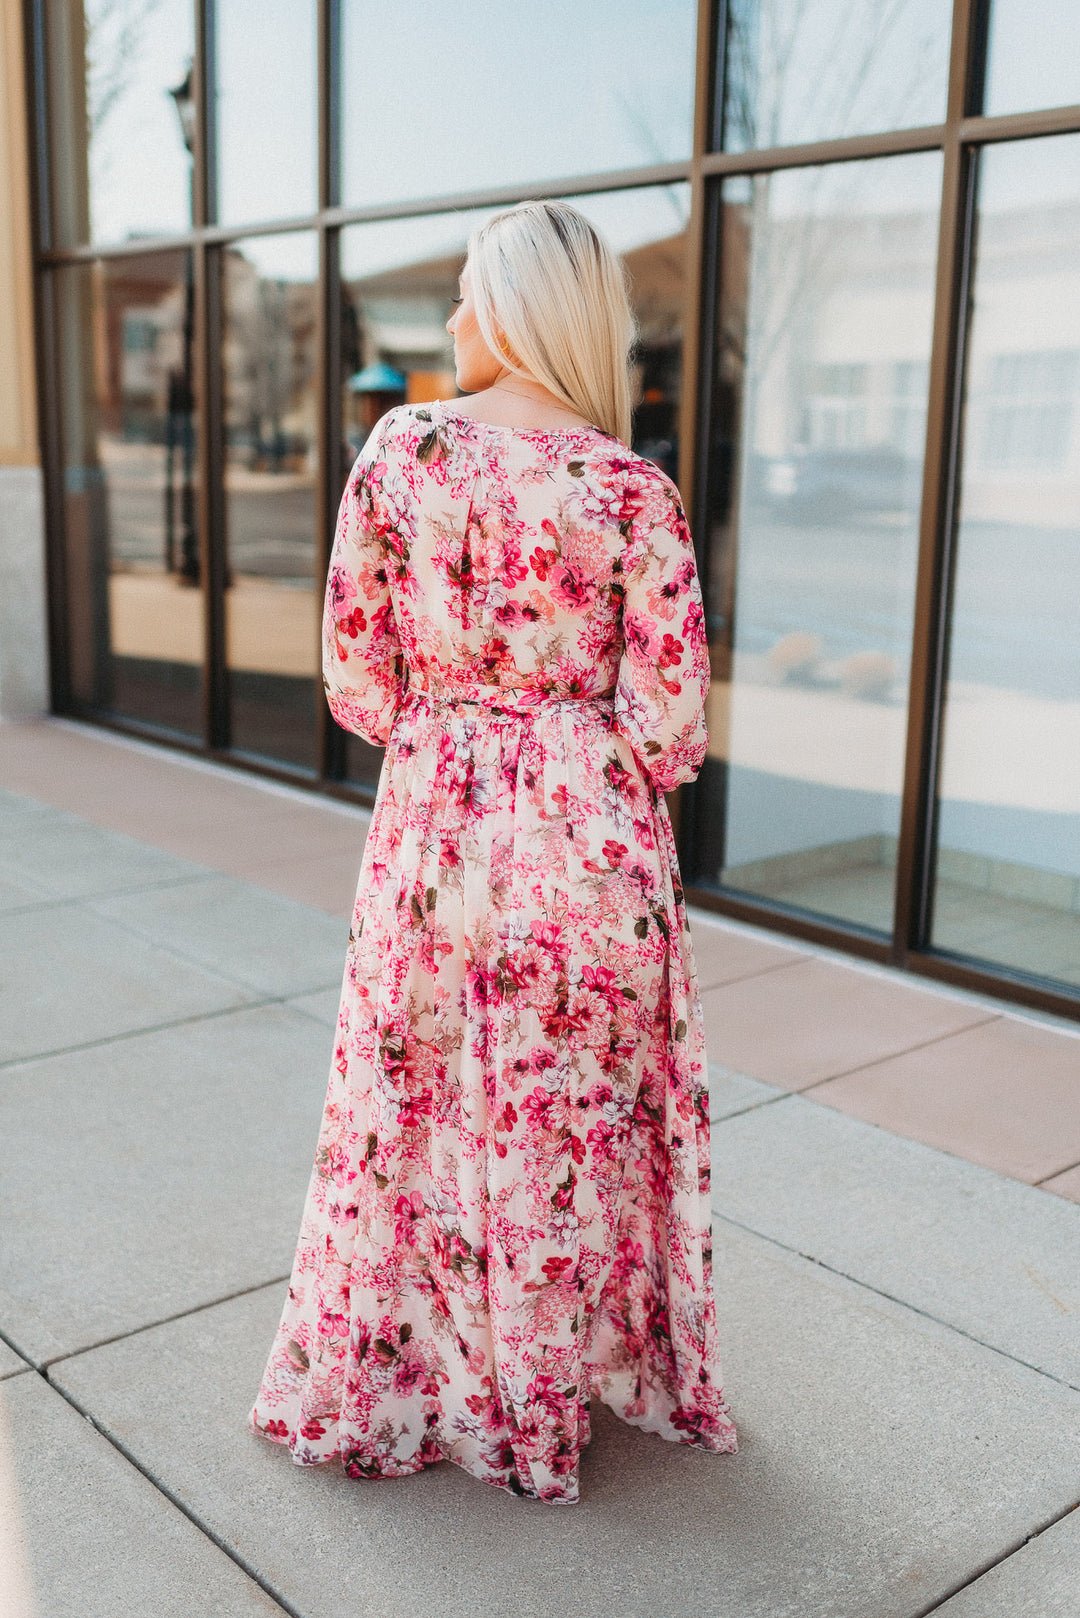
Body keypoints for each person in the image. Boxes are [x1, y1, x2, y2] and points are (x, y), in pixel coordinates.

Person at [248, 199, 738, 1505]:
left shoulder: (404, 452)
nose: (456, 319)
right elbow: (674, 726)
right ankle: (551, 1379)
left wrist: (457, 708)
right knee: (560, 1126)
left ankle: (439, 1378)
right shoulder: (635, 490)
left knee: (417, 1111)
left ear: (512, 308)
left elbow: (357, 682)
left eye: (469, 293)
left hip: (442, 834)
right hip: (596, 850)